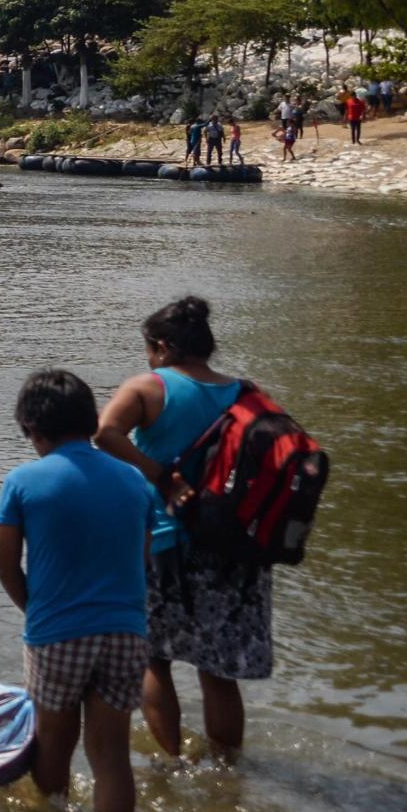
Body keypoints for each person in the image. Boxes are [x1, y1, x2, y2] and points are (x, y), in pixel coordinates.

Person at [93, 295, 271, 761]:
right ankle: (227, 773)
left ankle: (172, 763)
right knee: (218, 671)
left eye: (148, 348)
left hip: (165, 541)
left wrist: (162, 477)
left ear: (162, 346)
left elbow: (104, 434)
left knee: (155, 657)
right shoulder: (248, 393)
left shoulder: (148, 388)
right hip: (233, 546)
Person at [0, 367, 150, 812]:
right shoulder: (135, 481)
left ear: (34, 431)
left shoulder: (23, 483)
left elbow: (5, 565)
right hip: (126, 631)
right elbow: (141, 561)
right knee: (112, 756)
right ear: (91, 419)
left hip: (57, 633)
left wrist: (36, 610)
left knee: (53, 746)